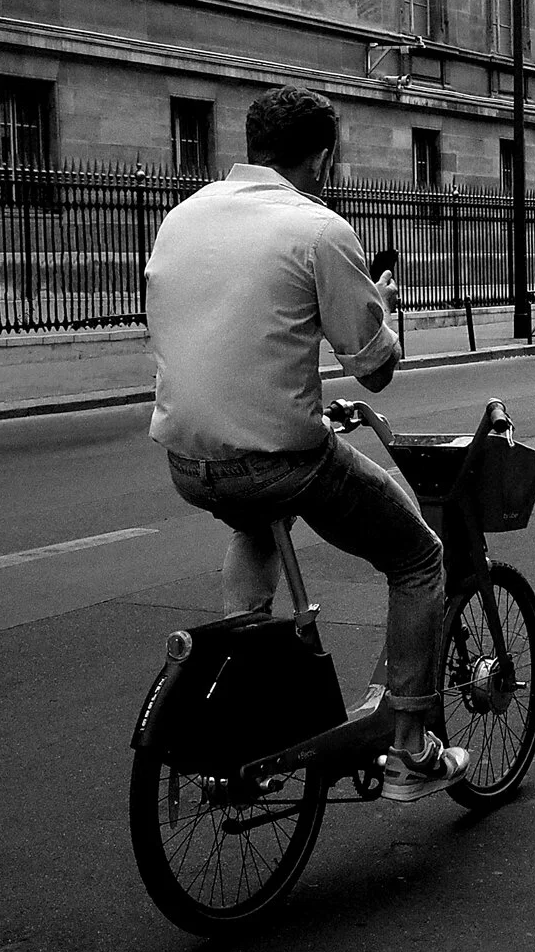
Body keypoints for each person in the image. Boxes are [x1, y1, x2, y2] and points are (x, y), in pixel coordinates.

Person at [143, 85, 469, 802]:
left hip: (190, 463)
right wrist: (381, 303)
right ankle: (412, 744)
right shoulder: (318, 228)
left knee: (256, 528)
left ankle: (242, 697)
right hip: (279, 463)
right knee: (419, 558)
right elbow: (376, 369)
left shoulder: (182, 217)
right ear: (320, 158)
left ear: (252, 147)